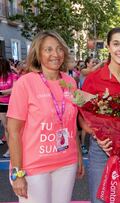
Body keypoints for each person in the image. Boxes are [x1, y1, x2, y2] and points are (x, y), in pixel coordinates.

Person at [7, 31, 84, 203]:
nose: (55, 54)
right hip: (33, 166)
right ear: (38, 53)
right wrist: (17, 172)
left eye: (59, 49)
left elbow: (71, 125)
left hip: (66, 162)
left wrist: (78, 155)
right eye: (48, 49)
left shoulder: (70, 82)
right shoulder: (25, 83)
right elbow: (13, 132)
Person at [81, 27, 120, 203]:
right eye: (116, 44)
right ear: (109, 47)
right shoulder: (93, 79)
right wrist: (96, 134)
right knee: (100, 200)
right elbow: (82, 116)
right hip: (102, 151)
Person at [0, 58, 18, 158]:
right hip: (2, 105)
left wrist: (2, 93)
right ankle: (10, 149)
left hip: (12, 104)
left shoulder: (13, 76)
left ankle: (15, 148)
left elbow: (14, 89)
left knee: (13, 128)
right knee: (6, 128)